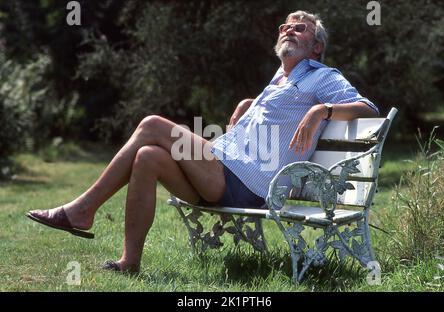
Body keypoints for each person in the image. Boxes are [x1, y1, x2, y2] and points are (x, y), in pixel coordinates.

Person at [26, 10, 379, 274]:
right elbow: (278, 115)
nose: (288, 29)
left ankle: (82, 210)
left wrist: (322, 111)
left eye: (299, 27)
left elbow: (367, 107)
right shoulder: (280, 79)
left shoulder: (322, 76)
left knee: (151, 125)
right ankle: (129, 261)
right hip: (225, 173)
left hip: (248, 182)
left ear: (316, 47)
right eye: (285, 25)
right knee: (148, 156)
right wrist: (249, 104)